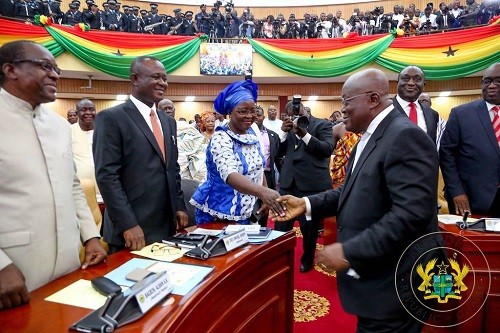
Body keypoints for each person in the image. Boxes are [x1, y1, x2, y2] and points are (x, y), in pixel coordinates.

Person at [272, 68, 441, 332]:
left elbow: (411, 214)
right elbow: (351, 190)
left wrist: (349, 250)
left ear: (373, 99)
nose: (342, 109)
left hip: (394, 283)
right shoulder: (370, 135)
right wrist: (306, 204)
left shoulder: (405, 136)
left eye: (346, 101)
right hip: (377, 284)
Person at [0, 40, 107, 309]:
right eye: (46, 66)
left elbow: (72, 186)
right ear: (11, 70)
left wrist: (91, 236)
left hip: (69, 261)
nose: (56, 75)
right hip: (14, 270)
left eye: (56, 68)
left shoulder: (60, 126)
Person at [93, 56, 188, 253]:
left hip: (166, 226)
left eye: (165, 78)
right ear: (135, 79)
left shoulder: (168, 121)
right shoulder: (111, 118)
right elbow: (107, 176)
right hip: (131, 231)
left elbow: (172, 168)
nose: (163, 83)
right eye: (156, 77)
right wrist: (128, 224)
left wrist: (179, 205)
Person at [190, 79, 284, 225]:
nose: (249, 116)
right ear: (230, 113)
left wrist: (264, 193)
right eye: (242, 111)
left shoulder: (251, 134)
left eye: (252, 111)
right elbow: (231, 175)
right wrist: (263, 192)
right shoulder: (220, 138)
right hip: (218, 212)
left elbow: (258, 168)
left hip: (245, 209)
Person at [274, 99, 334, 273]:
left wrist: (304, 134)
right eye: (291, 114)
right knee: (280, 228)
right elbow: (278, 153)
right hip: (288, 184)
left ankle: (307, 259)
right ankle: (279, 261)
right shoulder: (288, 127)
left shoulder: (322, 125)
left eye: (298, 112)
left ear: (305, 110)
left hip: (311, 185)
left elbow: (326, 149)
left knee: (309, 229)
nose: (295, 117)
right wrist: (284, 135)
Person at [440, 63, 500, 217]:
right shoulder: (461, 114)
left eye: (497, 81)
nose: (491, 86)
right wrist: (456, 191)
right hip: (470, 200)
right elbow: (447, 154)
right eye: (487, 81)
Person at [158, 98, 207, 182]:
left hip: (188, 159)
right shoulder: (156, 128)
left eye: (170, 108)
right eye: (164, 109)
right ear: (158, 110)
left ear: (174, 110)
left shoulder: (184, 125)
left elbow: (200, 140)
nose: (168, 111)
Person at [393, 66, 442, 147]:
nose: (411, 83)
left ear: (424, 84)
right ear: (397, 83)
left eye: (417, 79)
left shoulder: (432, 115)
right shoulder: (384, 110)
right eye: (405, 78)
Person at [71, 98, 99, 194]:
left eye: (91, 109)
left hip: (103, 186)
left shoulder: (103, 130)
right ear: (77, 113)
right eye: (83, 110)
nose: (88, 113)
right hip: (80, 189)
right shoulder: (69, 131)